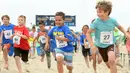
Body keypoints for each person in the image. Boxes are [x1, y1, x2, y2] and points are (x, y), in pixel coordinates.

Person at [86, 1, 130, 73]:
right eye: (97, 12)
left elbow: (119, 27)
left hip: (110, 44)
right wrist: (92, 45)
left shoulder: (112, 20)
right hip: (100, 47)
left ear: (107, 12)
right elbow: (88, 33)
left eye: (100, 12)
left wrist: (125, 33)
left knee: (112, 60)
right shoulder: (96, 22)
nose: (98, 14)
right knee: (109, 65)